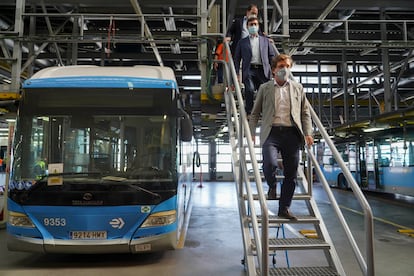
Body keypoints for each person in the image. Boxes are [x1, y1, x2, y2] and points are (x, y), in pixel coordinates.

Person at [248, 54, 314, 220]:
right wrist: (251, 132)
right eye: (281, 66)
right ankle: (272, 185)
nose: (284, 69)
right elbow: (255, 113)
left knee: (291, 174)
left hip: (292, 134)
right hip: (272, 133)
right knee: (269, 163)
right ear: (274, 70)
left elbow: (305, 112)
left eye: (287, 66)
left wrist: (308, 133)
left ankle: (284, 208)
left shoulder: (298, 88)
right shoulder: (265, 88)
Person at [234, 15, 275, 114]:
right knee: (250, 89)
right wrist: (237, 73)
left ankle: (264, 110)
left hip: (263, 70)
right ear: (247, 27)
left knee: (264, 91)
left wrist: (274, 70)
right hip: (249, 69)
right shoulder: (242, 42)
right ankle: (249, 111)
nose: (253, 26)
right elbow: (237, 58)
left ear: (258, 26)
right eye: (251, 24)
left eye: (255, 24)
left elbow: (271, 55)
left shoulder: (265, 41)